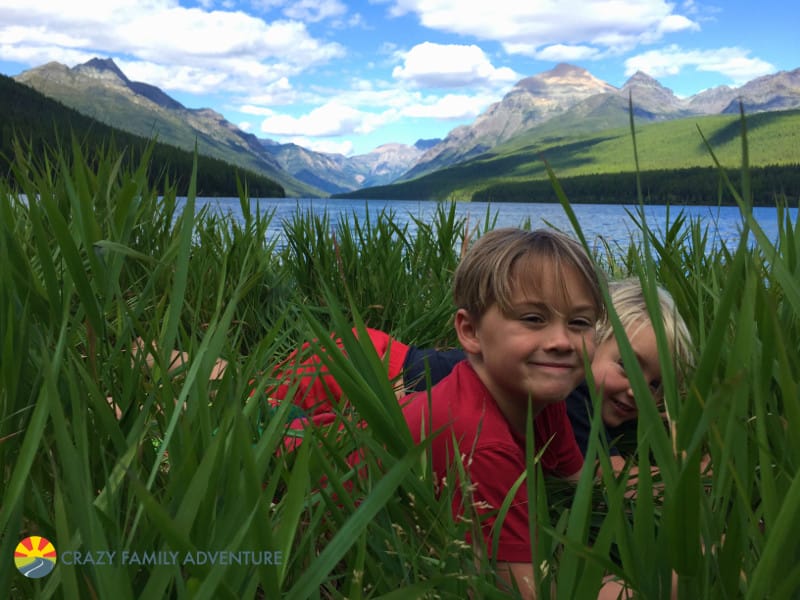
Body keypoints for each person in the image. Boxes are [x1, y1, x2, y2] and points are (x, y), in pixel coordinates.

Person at [399, 227, 605, 596]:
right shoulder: (479, 442)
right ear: (470, 331)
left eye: (579, 322)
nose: (561, 342)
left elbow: (585, 482)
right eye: (533, 318)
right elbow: (529, 592)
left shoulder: (541, 401)